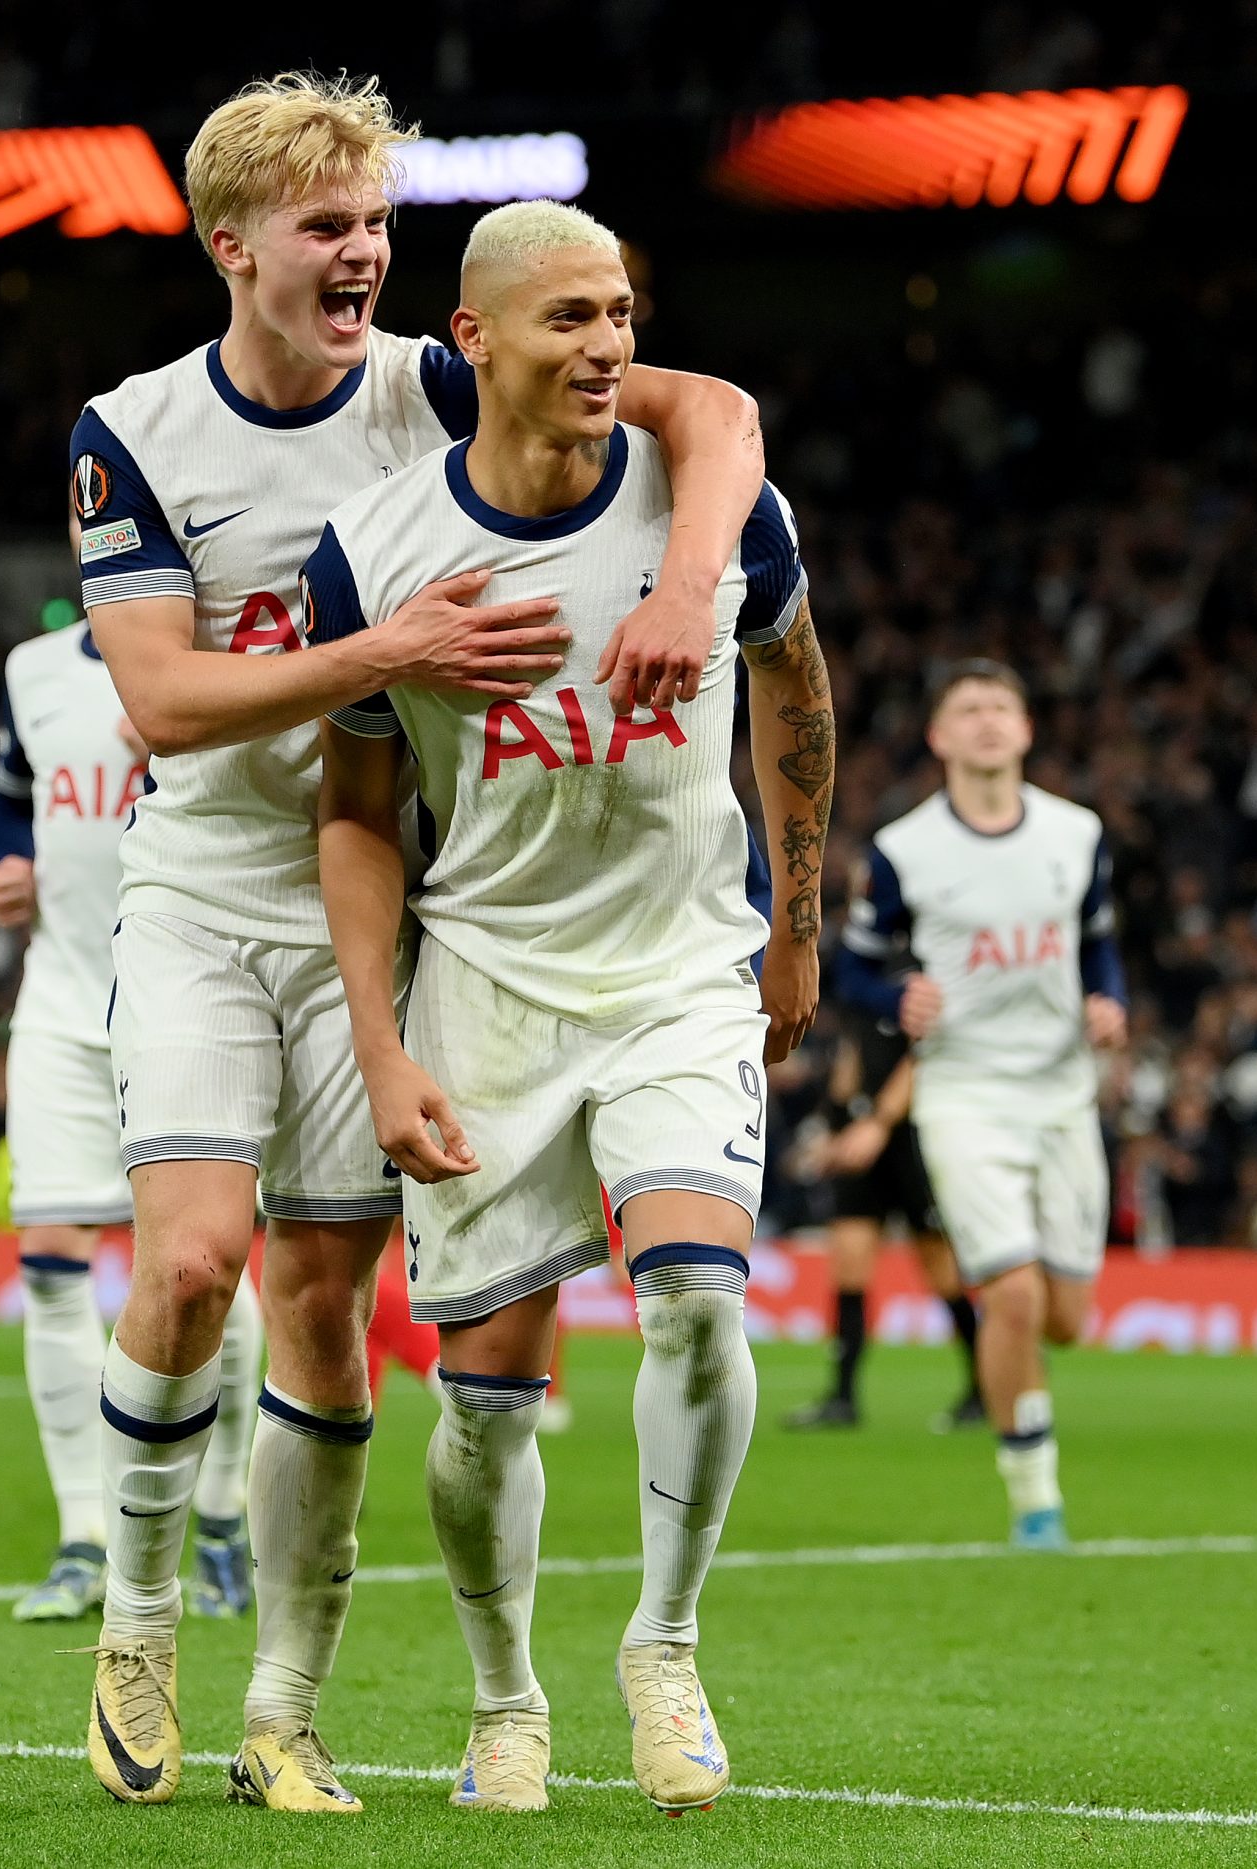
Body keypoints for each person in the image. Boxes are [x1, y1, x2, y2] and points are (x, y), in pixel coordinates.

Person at [71, 74, 765, 1813]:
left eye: (376, 222)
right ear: (234, 248)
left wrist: (689, 577)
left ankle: (282, 1705)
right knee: (192, 1261)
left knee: (322, 1299)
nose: (361, 253)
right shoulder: (136, 427)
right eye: (326, 226)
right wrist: (382, 654)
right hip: (212, 893)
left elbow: (722, 413)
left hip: (384, 899)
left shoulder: (436, 378)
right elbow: (160, 703)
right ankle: (139, 1613)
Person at [309, 198, 832, 1815]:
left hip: (680, 965)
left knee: (692, 1293)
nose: (607, 345)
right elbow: (353, 810)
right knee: (482, 1395)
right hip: (489, 983)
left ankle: (664, 1647)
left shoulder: (717, 505)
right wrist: (382, 1046)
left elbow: (797, 688)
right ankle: (501, 1695)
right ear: (474, 343)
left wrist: (796, 927)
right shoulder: (380, 553)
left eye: (620, 312)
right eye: (568, 319)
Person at [0, 596, 263, 1626]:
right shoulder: (34, 669)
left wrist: (181, 744)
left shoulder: (221, 661)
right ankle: (81, 1536)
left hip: (182, 994)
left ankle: (223, 1517)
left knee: (198, 1263)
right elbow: (11, 806)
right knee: (48, 1259)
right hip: (57, 1001)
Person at [836, 660, 1127, 1550]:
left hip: (1062, 1095)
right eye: (968, 708)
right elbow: (853, 963)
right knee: (1010, 1293)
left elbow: (1099, 941)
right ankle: (1034, 1498)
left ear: (1028, 729)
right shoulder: (904, 849)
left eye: (1004, 705)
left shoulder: (1077, 835)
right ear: (940, 737)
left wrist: (1107, 1001)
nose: (989, 720)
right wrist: (897, 999)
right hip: (961, 1094)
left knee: (1065, 1318)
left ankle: (1028, 1444)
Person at [789, 1045, 983, 1430]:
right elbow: (852, 1047)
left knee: (942, 1271)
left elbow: (926, 1051)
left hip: (911, 1137)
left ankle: (985, 1388)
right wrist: (835, 1120)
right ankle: (843, 1397)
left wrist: (879, 1121)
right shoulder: (854, 991)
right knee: (848, 1263)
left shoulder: (918, 990)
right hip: (859, 1131)